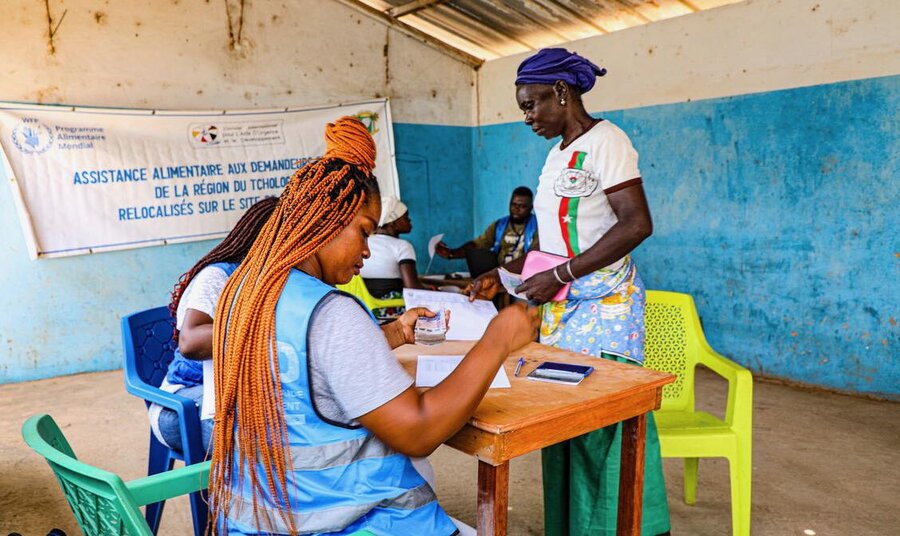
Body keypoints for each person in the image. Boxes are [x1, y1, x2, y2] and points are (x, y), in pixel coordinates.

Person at [208, 117, 539, 535]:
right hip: (345, 523)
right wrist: (497, 341)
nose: (367, 251)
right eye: (363, 232)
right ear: (326, 219)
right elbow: (418, 430)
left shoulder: (244, 291)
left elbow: (308, 363)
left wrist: (397, 331)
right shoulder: (331, 312)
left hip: (257, 521)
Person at [469, 48, 671, 536]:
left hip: (605, 306)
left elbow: (637, 223)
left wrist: (558, 278)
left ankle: (624, 528)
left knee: (605, 422)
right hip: (565, 308)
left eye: (532, 103)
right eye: (522, 107)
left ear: (562, 92)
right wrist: (505, 271)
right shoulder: (554, 155)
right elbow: (550, 242)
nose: (527, 117)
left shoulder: (607, 140)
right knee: (562, 418)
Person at [148, 196, 278, 455]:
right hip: (181, 405)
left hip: (225, 399)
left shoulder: (274, 279)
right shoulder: (218, 276)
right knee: (263, 438)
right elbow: (190, 341)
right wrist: (268, 332)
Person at [435, 186, 539, 266]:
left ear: (531, 207)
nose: (516, 209)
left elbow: (533, 256)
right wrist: (452, 253)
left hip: (524, 276)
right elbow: (477, 245)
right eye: (514, 204)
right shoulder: (500, 225)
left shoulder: (537, 227)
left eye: (522, 206)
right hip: (499, 276)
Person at [358, 195, 424, 316]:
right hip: (390, 309)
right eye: (405, 217)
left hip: (363, 309)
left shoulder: (363, 242)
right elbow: (412, 288)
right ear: (393, 222)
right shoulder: (402, 246)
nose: (410, 221)